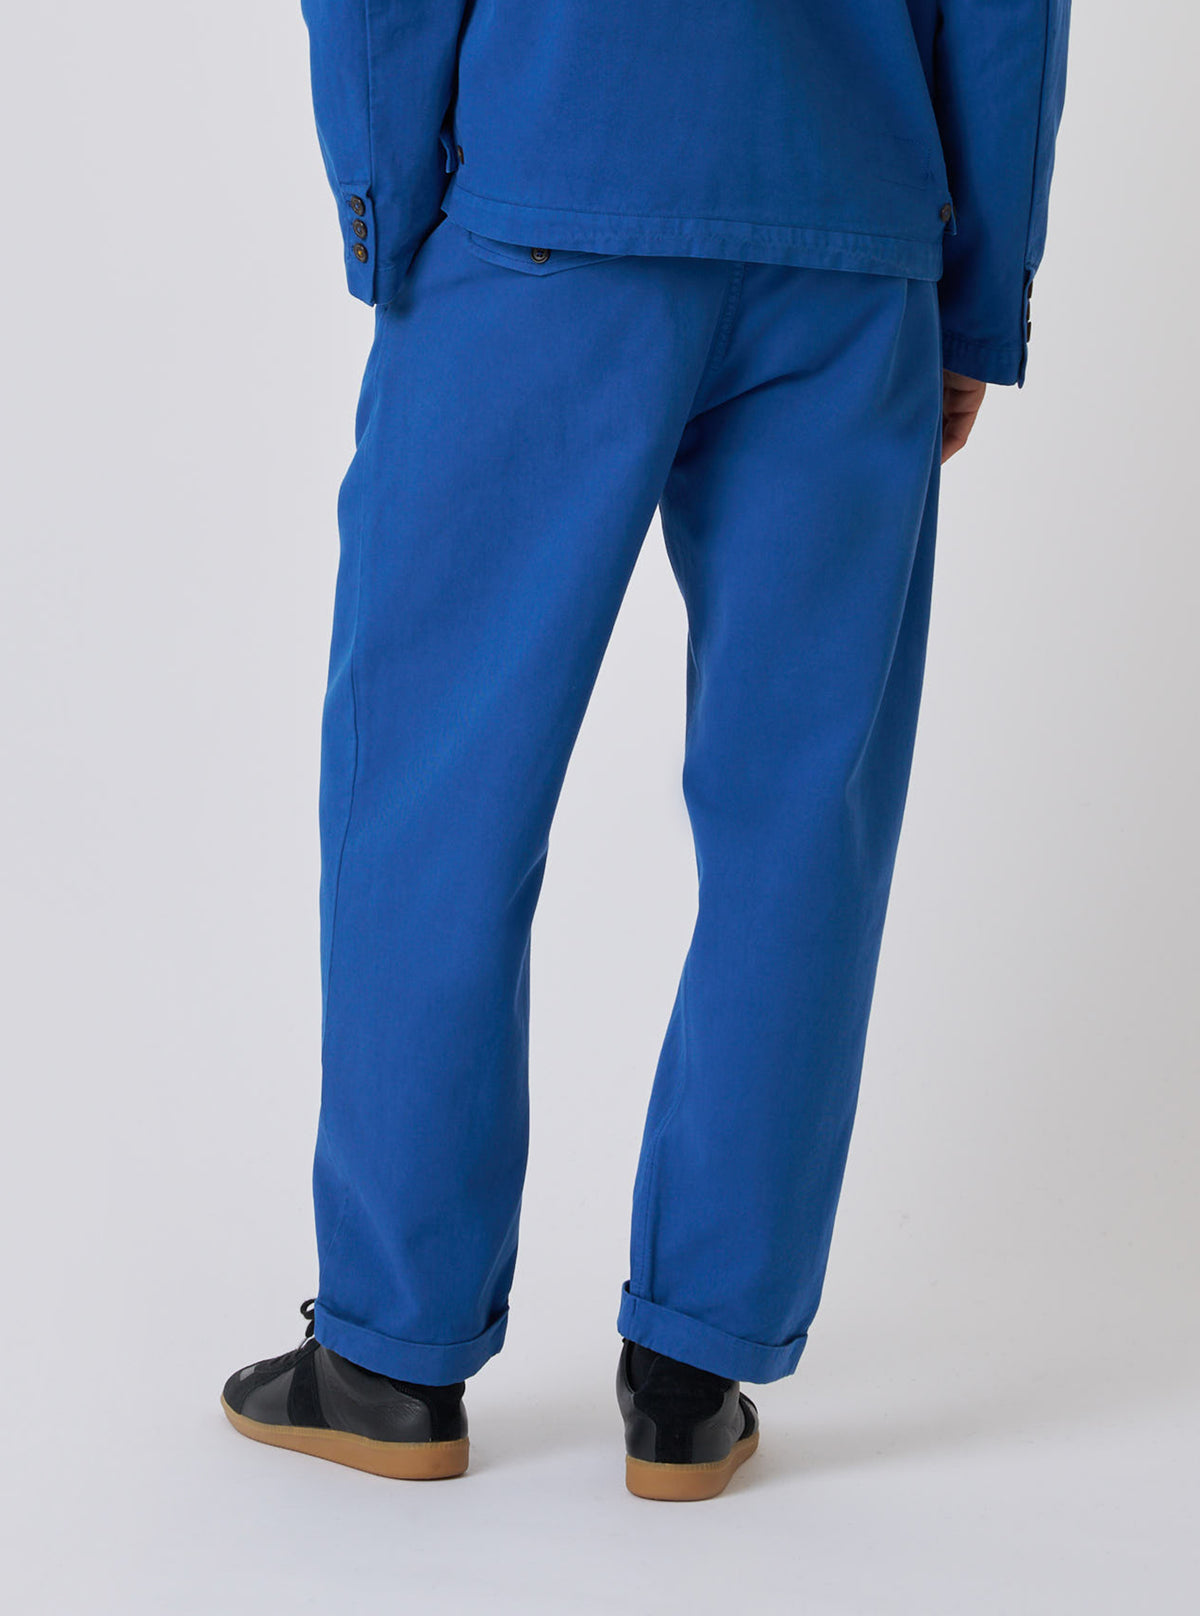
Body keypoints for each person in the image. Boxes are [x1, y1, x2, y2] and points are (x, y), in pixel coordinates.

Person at [221, 0, 1072, 1501]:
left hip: (549, 195)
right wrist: (972, 295)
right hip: (855, 234)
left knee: (434, 792)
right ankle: (695, 1372)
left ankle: (391, 1355)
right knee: (804, 827)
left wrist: (387, 201)